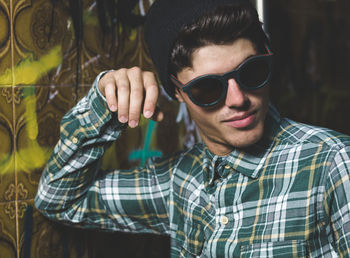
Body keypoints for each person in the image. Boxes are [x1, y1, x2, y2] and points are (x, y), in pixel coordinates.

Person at [35, 0, 350, 257]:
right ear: (177, 92)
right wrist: (106, 101)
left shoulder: (331, 164)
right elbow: (59, 199)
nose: (239, 99)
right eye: (208, 89)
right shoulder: (178, 181)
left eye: (252, 71)